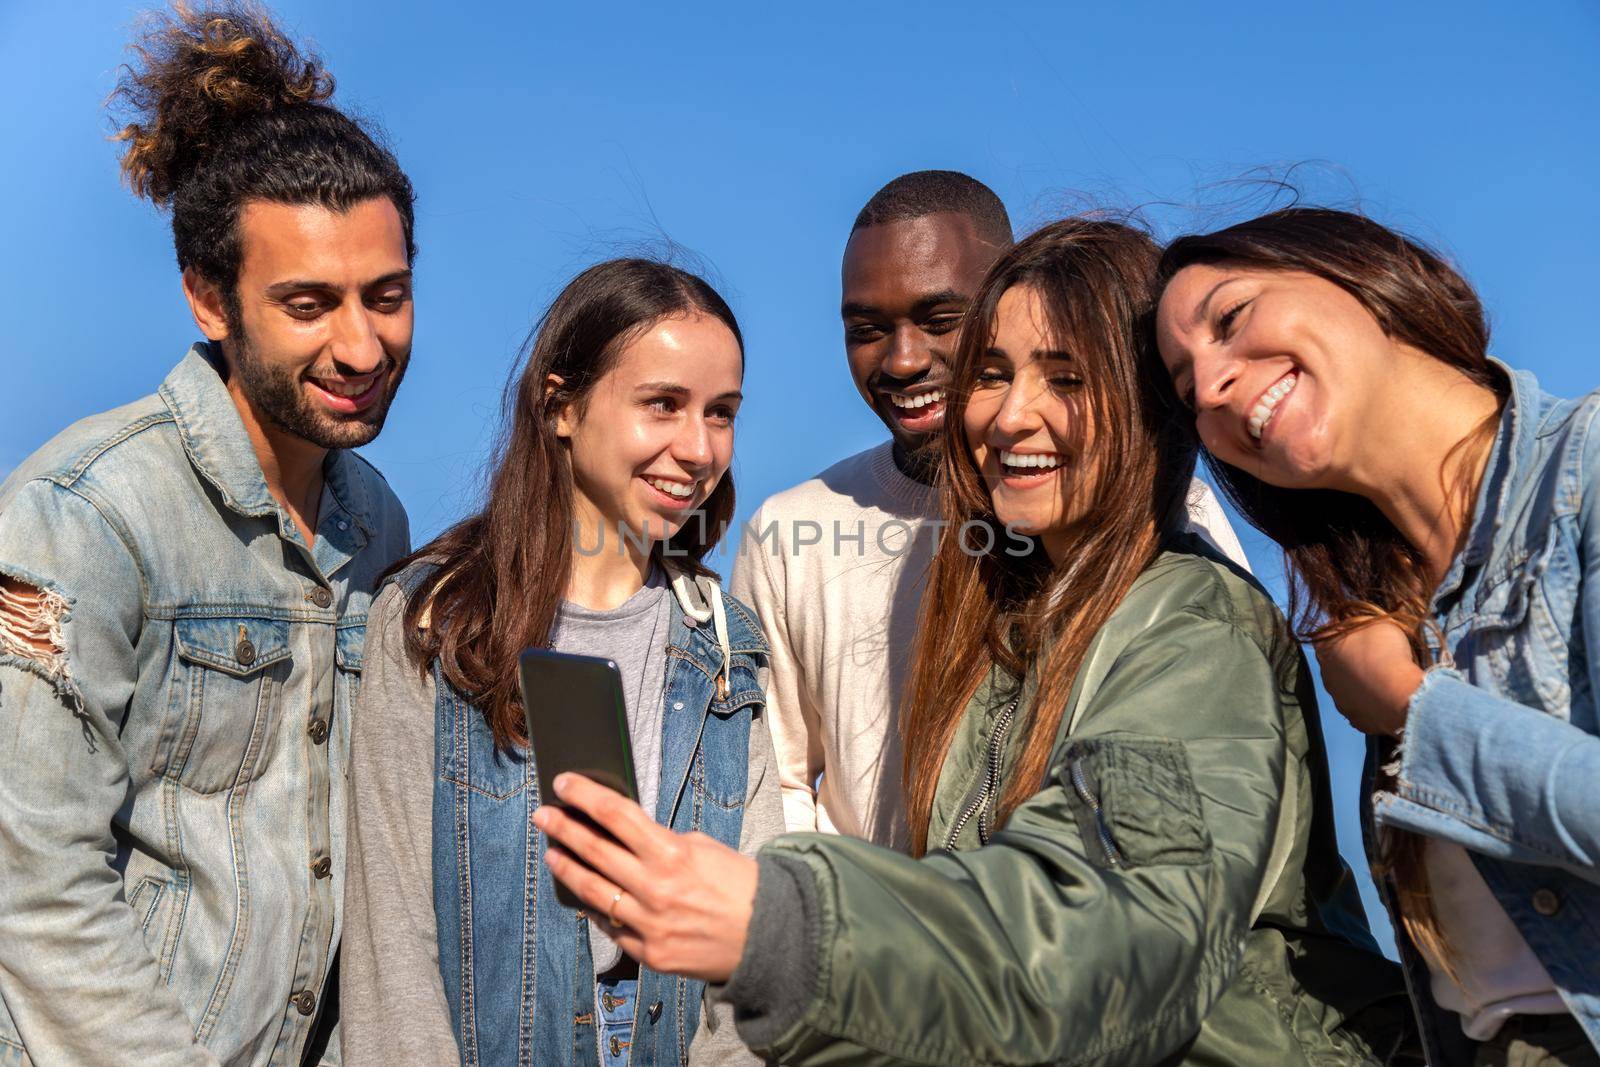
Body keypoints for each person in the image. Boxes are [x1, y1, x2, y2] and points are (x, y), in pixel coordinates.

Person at [534, 218, 1416, 1066]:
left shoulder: (1192, 626)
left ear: (1151, 405)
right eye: (993, 374)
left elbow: (1120, 937)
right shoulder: (999, 617)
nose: (1010, 415)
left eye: (1066, 379)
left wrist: (777, 920)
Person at [0, 5, 414, 1065]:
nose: (361, 343)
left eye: (388, 294)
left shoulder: (377, 522)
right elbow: (31, 879)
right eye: (309, 302)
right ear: (208, 298)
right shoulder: (83, 510)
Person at [1155, 207, 1600, 1067]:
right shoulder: (1384, 606)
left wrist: (1416, 713)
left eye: (1231, 317)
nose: (1210, 384)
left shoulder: (1584, 471)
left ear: (1359, 272)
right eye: (1186, 388)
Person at [341, 258, 783, 1067]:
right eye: (662, 404)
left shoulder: (727, 646)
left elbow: (750, 949)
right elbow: (390, 935)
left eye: (721, 413)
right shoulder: (434, 621)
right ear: (560, 406)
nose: (697, 447)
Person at [732, 170, 1249, 850]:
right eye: (866, 329)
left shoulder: (1164, 517)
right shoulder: (790, 532)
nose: (903, 359)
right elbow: (768, 779)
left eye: (942, 321)